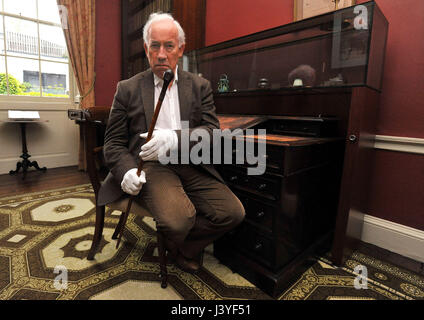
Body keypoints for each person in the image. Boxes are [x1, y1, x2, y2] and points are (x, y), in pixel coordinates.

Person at [98, 12, 245, 273]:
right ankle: (176, 234)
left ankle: (180, 247)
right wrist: (127, 171)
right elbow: (113, 143)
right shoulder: (127, 88)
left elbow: (212, 132)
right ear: (146, 49)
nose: (162, 54)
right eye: (155, 46)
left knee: (233, 213)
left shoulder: (200, 86)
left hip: (190, 161)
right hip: (151, 167)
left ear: (181, 49)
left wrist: (174, 139)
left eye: (169, 46)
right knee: (179, 220)